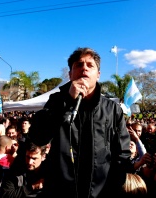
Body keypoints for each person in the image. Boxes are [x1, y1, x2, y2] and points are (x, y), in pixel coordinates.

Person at [28, 47, 131, 198]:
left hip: (100, 192)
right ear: (70, 74)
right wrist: (68, 101)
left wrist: (113, 187)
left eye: (90, 65)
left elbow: (122, 154)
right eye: (79, 65)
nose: (84, 68)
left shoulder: (112, 109)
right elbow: (38, 137)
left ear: (98, 75)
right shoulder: (56, 102)